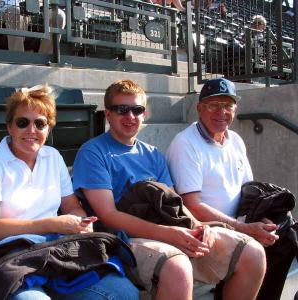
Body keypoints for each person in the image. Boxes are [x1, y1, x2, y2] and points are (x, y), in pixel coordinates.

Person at [73, 79, 266, 300]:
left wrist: (199, 225)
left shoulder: (152, 154)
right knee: (178, 267)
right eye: (121, 110)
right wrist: (169, 233)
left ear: (144, 115)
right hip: (123, 239)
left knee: (252, 253)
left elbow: (174, 203)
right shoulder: (93, 152)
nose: (130, 116)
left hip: (166, 229)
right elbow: (108, 216)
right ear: (108, 114)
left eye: (137, 110)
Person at [0, 85, 139, 299]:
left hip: (49, 250)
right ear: (9, 127)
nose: (32, 130)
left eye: (40, 123)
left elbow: (71, 207)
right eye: (23, 122)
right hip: (4, 254)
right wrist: (52, 224)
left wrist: (81, 223)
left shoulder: (53, 157)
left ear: (48, 129)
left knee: (124, 291)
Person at [166, 78, 291, 300]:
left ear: (235, 109)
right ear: (199, 109)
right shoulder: (185, 143)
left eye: (228, 105)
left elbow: (248, 191)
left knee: (287, 233)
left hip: (237, 223)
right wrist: (242, 228)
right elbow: (192, 205)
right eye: (214, 105)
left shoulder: (235, 140)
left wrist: (260, 219)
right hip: (207, 229)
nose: (221, 112)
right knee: (257, 248)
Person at [0, 0, 65, 53]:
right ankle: (18, 59)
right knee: (15, 11)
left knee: (59, 15)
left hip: (28, 12)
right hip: (0, 14)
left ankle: (43, 59)